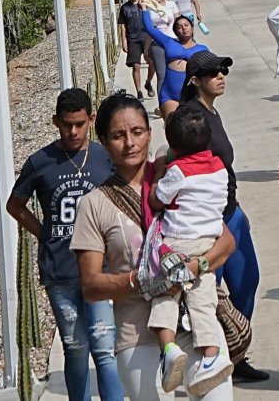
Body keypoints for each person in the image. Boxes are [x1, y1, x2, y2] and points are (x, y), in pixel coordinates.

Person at [73, 93, 239, 401]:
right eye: (118, 136)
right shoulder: (94, 205)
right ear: (104, 142)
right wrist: (140, 279)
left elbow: (226, 241)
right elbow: (91, 286)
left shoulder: (179, 176)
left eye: (137, 132)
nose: (130, 143)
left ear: (151, 133)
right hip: (139, 335)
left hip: (196, 324)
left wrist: (195, 267)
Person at [6, 88, 123, 401]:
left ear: (91, 120)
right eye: (67, 124)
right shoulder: (40, 162)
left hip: (100, 269)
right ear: (55, 121)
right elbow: (14, 205)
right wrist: (43, 232)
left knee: (104, 347)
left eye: (80, 124)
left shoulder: (104, 156)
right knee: (75, 347)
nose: (73, 131)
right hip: (60, 272)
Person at [181, 51, 270, 384]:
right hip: (211, 222)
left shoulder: (211, 111)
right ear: (195, 80)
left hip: (232, 211)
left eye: (222, 71)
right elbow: (188, 172)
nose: (221, 76)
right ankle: (213, 360)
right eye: (213, 72)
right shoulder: (191, 117)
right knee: (211, 295)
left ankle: (236, 351)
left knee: (247, 280)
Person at [144, 103, 233, 395]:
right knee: (203, 299)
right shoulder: (220, 167)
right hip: (208, 240)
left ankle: (169, 349)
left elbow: (158, 199)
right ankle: (210, 357)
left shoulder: (179, 170)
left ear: (172, 144)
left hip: (178, 242)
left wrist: (159, 174)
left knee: (165, 294)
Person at [139, 8, 208, 117]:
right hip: (169, 96)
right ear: (175, 31)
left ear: (192, 28)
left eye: (186, 25)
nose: (183, 28)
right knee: (173, 129)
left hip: (192, 96)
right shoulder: (169, 42)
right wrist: (144, 10)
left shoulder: (202, 49)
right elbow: (149, 28)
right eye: (179, 27)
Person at [118, 0, 152, 100]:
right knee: (136, 66)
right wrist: (124, 41)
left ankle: (148, 82)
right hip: (133, 39)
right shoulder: (125, 8)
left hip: (147, 37)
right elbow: (122, 26)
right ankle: (139, 92)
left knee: (151, 62)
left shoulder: (145, 3)